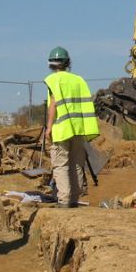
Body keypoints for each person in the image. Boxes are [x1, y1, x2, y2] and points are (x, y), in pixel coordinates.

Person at [44, 46, 100, 207]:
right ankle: (74, 198)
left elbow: (53, 104)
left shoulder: (53, 80)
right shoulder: (78, 80)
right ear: (67, 62)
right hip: (79, 129)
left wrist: (49, 127)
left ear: (51, 64)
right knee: (76, 163)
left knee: (60, 164)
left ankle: (64, 200)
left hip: (62, 129)